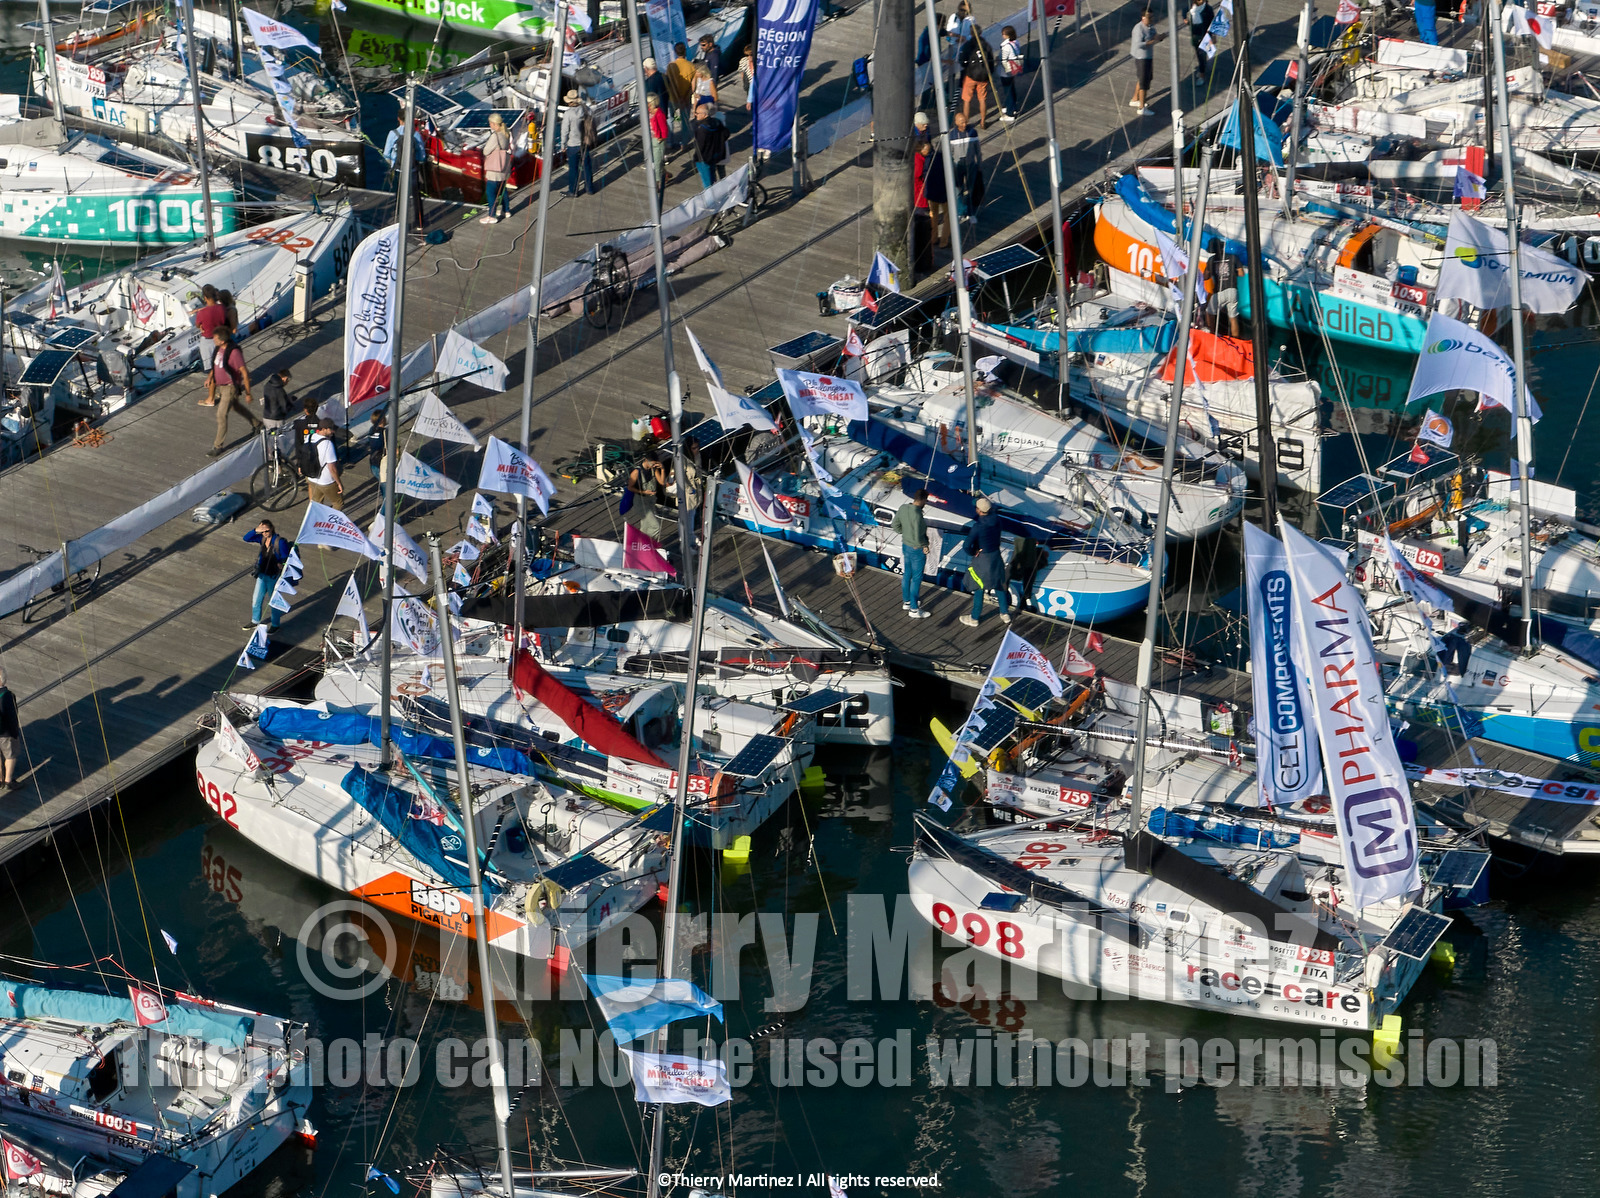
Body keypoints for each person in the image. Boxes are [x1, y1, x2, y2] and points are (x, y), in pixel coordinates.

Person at [206, 332, 261, 457]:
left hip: (230, 387)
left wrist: (248, 392)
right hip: (222, 387)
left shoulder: (234, 353)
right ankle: (257, 424)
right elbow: (215, 366)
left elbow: (244, 372)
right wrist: (209, 377)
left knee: (221, 415)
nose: (213, 340)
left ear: (222, 341)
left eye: (215, 338)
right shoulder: (218, 349)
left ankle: (217, 446)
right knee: (236, 406)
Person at [959, 496, 1010, 626]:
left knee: (978, 586)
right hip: (996, 555)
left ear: (978, 510)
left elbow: (966, 546)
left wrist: (974, 552)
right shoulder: (997, 520)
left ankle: (974, 618)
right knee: (998, 583)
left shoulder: (978, 526)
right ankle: (1005, 613)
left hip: (983, 558)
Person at [243, 519, 291, 633]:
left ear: (272, 529)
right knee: (256, 599)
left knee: (273, 601)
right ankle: (255, 621)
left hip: (273, 576)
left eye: (266, 530)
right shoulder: (262, 538)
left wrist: (282, 564)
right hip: (262, 574)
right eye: (262, 531)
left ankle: (275, 624)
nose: (264, 533)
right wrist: (255, 530)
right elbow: (246, 538)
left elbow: (287, 557)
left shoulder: (280, 542)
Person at [891, 489, 932, 618]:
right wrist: (925, 545)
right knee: (916, 578)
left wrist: (904, 533)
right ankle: (914, 609)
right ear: (923, 500)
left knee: (907, 574)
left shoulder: (903, 508)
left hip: (906, 545)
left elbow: (895, 525)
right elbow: (920, 536)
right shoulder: (918, 515)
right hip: (917, 549)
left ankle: (906, 602)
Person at [622, 453, 668, 540]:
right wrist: (643, 491)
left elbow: (662, 482)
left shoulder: (653, 469)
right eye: (653, 463)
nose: (654, 465)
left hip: (651, 500)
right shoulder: (636, 472)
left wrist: (662, 469)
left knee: (645, 526)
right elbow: (630, 487)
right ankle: (650, 544)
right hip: (640, 501)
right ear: (646, 460)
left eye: (655, 464)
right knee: (655, 526)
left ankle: (639, 543)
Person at [949, 110, 982, 230]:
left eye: (965, 122)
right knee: (958, 190)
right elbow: (949, 154)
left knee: (970, 189)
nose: (964, 124)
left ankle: (971, 213)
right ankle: (960, 212)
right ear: (957, 123)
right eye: (962, 122)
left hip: (970, 165)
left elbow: (978, 150)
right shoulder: (952, 135)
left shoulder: (973, 132)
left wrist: (979, 165)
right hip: (958, 166)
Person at [959, 23, 994, 128]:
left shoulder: (968, 45)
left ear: (971, 33)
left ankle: (965, 122)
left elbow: (963, 61)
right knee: (982, 99)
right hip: (983, 76)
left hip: (971, 75)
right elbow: (991, 61)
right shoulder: (986, 45)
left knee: (966, 99)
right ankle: (983, 121)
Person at [561, 91, 595, 197]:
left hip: (573, 144)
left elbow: (565, 131)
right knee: (587, 167)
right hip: (584, 142)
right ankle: (590, 188)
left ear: (569, 102)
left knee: (573, 169)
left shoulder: (568, 114)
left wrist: (563, 145)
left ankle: (573, 191)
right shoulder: (585, 110)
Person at [1207, 237, 1242, 337]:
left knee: (1209, 313)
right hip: (1233, 291)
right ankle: (1236, 340)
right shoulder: (1233, 257)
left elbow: (1206, 276)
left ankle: (1213, 335)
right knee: (1233, 317)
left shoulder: (1211, 260)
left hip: (1219, 292)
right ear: (1222, 247)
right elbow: (1241, 273)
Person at [481, 112, 512, 223]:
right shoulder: (506, 133)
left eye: (490, 123)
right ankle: (506, 210)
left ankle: (492, 216)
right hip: (504, 167)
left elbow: (486, 151)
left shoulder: (495, 136)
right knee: (503, 190)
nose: (490, 125)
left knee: (491, 192)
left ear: (494, 124)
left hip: (495, 168)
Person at [1130, 9, 1162, 116]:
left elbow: (1154, 36)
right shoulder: (1138, 29)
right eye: (1149, 17)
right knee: (1144, 82)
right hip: (1141, 57)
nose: (1152, 19)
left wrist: (1159, 38)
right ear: (1143, 17)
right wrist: (1153, 41)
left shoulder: (1151, 27)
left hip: (1148, 56)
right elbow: (1138, 44)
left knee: (1146, 78)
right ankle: (1141, 108)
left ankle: (1135, 99)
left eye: (1152, 17)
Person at [307, 416, 343, 509]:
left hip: (312, 478)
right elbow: (332, 468)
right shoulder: (327, 444)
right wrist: (338, 483)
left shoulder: (309, 437)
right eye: (331, 429)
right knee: (338, 503)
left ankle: (317, 521)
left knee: (316, 504)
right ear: (323, 429)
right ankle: (331, 522)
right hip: (326, 481)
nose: (333, 432)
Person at [692, 102, 729, 189]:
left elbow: (700, 146)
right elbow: (726, 134)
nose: (695, 115)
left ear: (704, 115)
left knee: (707, 184)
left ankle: (711, 200)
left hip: (704, 159)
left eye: (697, 113)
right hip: (714, 156)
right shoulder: (717, 122)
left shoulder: (702, 129)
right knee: (712, 179)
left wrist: (695, 158)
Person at [667, 42, 696, 150]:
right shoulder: (691, 66)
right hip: (686, 98)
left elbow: (670, 83)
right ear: (685, 51)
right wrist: (684, 98)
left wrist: (678, 97)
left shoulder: (671, 66)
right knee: (685, 121)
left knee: (670, 119)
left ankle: (669, 142)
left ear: (675, 52)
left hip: (672, 98)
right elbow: (693, 86)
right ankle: (684, 143)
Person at [922, 136, 949, 249]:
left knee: (933, 215)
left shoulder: (929, 159)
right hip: (944, 194)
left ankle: (933, 238)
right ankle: (944, 241)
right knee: (948, 216)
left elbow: (925, 174)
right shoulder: (947, 161)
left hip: (931, 193)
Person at [912, 138, 934, 276]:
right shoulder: (920, 161)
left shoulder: (916, 158)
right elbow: (918, 175)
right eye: (928, 150)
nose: (929, 152)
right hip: (920, 196)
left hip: (917, 194)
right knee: (924, 221)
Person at [647, 94, 671, 208]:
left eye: (648, 102)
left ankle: (657, 184)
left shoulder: (659, 113)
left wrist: (660, 138)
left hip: (658, 140)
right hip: (651, 139)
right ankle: (664, 173)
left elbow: (664, 128)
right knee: (657, 161)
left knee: (656, 162)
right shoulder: (649, 111)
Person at [642, 56, 671, 141]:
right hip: (666, 106)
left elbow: (648, 99)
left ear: (646, 69)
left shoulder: (649, 83)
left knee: (658, 133)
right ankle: (669, 143)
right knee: (666, 127)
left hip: (655, 111)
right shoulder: (663, 76)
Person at [0, 667, 20, 792]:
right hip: (6, 733)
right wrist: (15, 733)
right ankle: (8, 781)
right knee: (10, 755)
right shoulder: (8, 696)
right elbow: (12, 716)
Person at [997, 26, 1022, 121]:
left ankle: (1010, 113)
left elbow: (1003, 60)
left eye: (1003, 34)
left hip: (1006, 71)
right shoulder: (1016, 42)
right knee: (1011, 88)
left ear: (1007, 36)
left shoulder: (1006, 47)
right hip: (1013, 69)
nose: (1002, 35)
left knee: (1007, 90)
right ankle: (1012, 106)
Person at [1187, 0, 1214, 75]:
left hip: (1204, 35)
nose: (1201, 1)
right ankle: (1203, 68)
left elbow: (1212, 22)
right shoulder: (1191, 8)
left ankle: (1202, 72)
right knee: (1199, 54)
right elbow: (1185, 14)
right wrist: (1186, 20)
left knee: (1202, 54)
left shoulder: (1208, 9)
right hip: (1195, 35)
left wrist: (1213, 36)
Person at [738, 44, 755, 112]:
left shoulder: (759, 63)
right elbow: (742, 72)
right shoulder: (743, 61)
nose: (749, 57)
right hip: (749, 84)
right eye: (747, 55)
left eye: (751, 55)